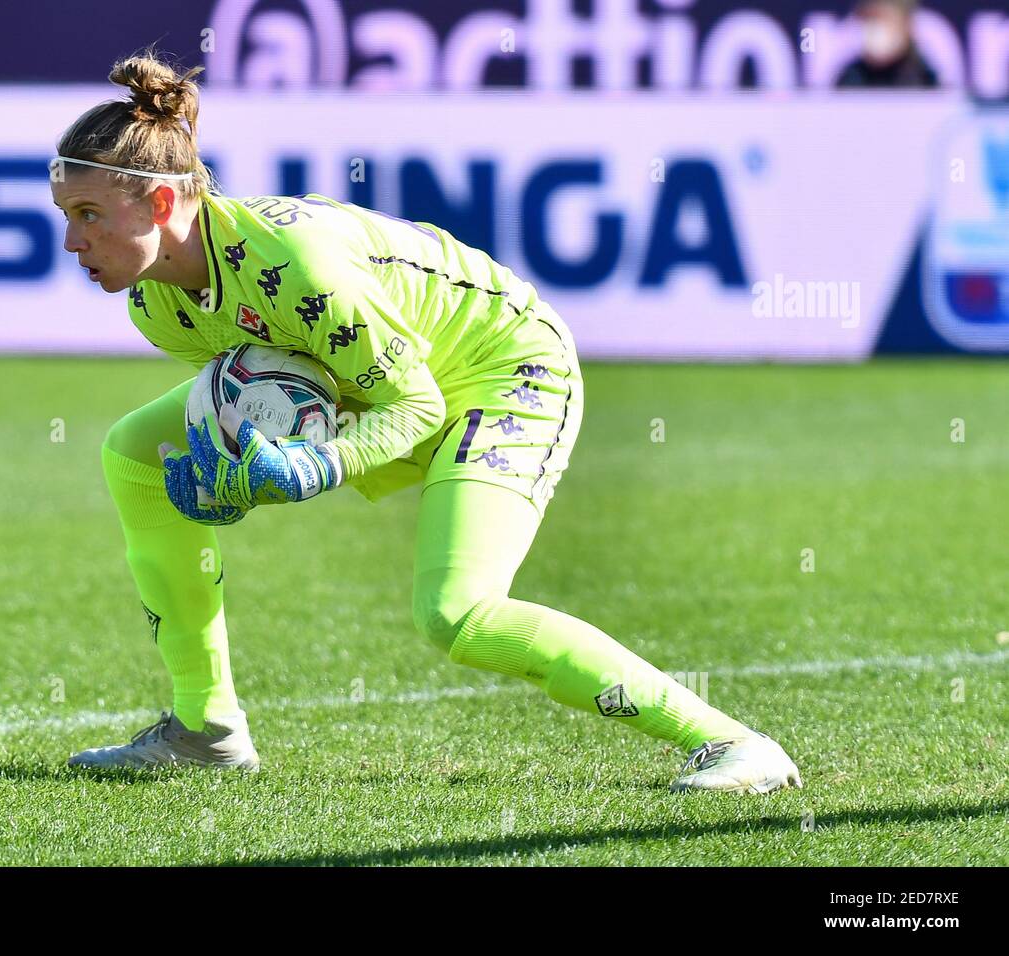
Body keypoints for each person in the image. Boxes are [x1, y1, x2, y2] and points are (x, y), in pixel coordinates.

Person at [49, 52, 803, 794]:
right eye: (65, 216)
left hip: (503, 370)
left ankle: (733, 743)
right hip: (396, 383)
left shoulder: (295, 260)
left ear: (158, 204)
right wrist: (235, 479)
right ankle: (205, 728)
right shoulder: (160, 305)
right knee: (134, 454)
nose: (73, 242)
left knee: (457, 613)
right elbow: (298, 393)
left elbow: (414, 406)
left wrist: (312, 467)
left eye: (88, 215)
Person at [836, 0, 938, 89]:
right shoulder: (851, 77)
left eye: (882, 18)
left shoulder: (924, 78)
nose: (875, 28)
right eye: (869, 19)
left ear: (906, 23)